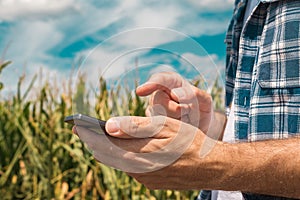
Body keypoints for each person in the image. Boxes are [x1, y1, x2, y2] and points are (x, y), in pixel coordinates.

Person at [72, 0, 300, 199]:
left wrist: (214, 163)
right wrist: (207, 127)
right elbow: (259, 132)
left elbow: (228, 159)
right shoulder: (243, 7)